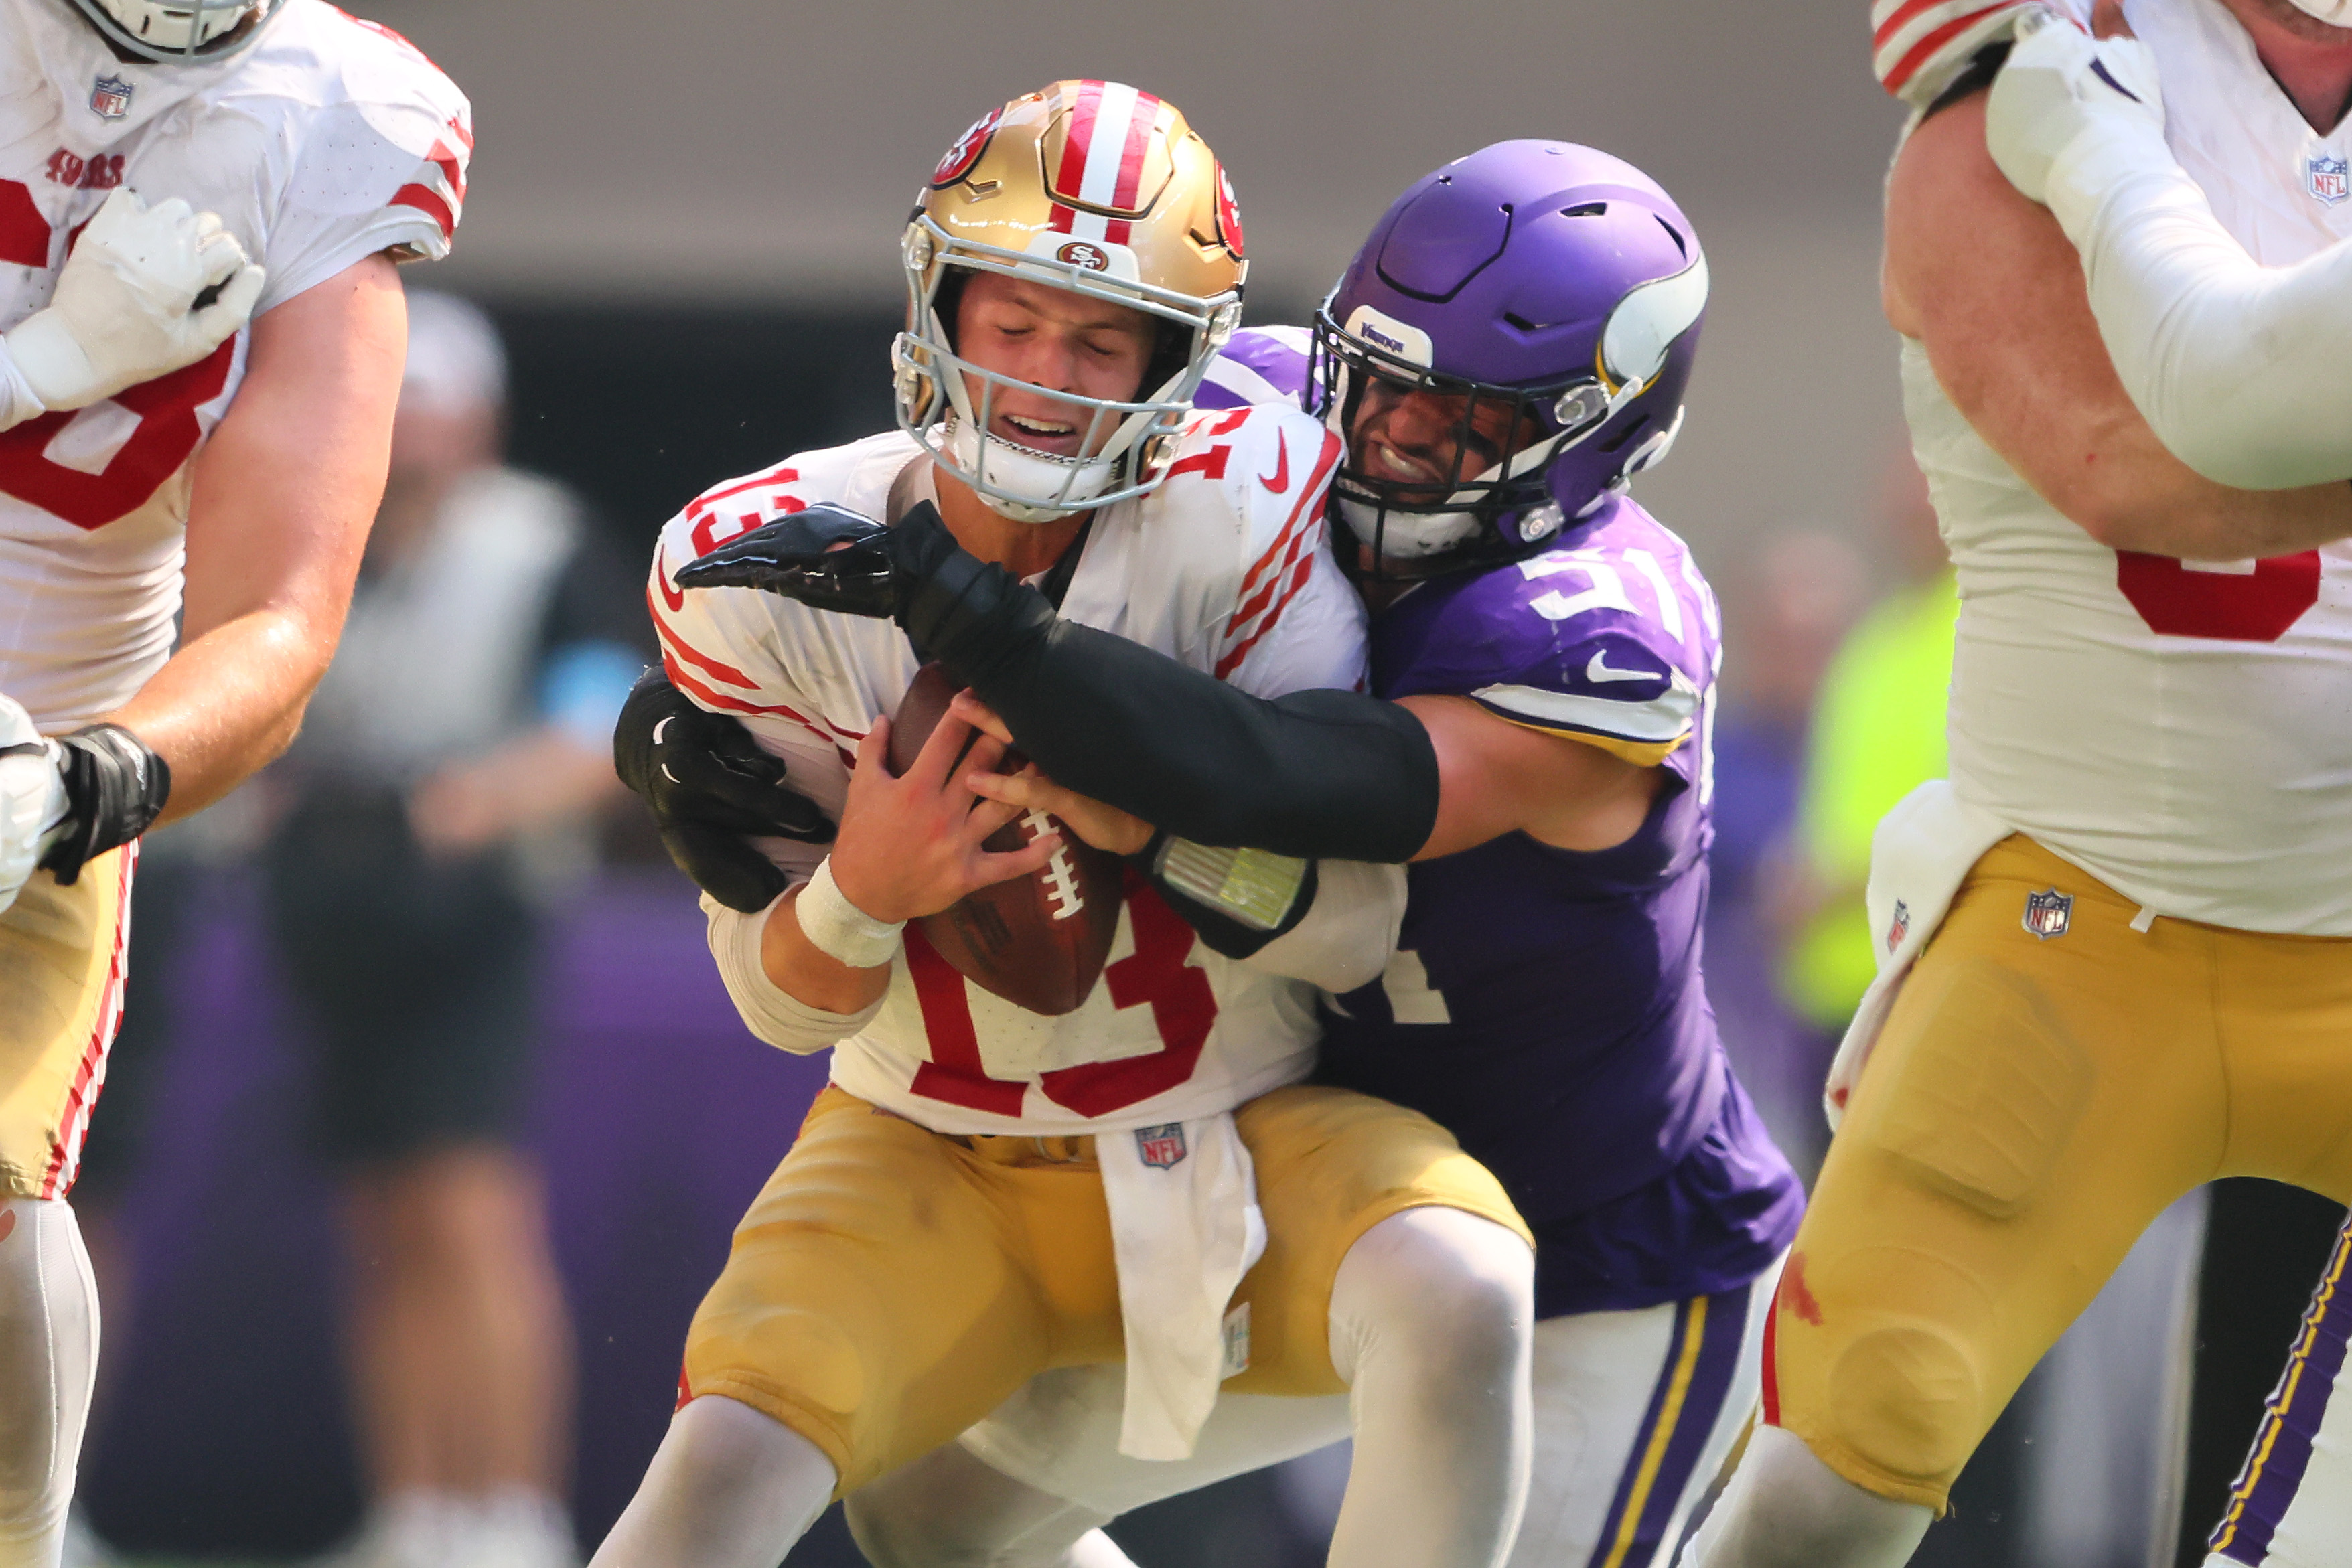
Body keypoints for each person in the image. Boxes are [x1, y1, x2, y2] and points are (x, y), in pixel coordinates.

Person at [649, 141, 1805, 1568]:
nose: (1386, 441)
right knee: (935, 1512)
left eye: (1456, 424)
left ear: (1596, 433)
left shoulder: (1590, 630)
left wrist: (969, 623)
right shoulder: (1247, 402)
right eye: (1375, 385)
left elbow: (1307, 785)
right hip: (1293, 1157)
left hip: (1595, 1242)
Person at [1670, 2, 2352, 1563]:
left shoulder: (2065, 100)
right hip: (2076, 923)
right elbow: (2129, 467)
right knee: (1825, 1477)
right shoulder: (2011, 104)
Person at [0, 0, 467, 1559]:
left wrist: (80, 787)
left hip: (24, 760)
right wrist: (50, 362)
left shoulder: (335, 110)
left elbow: (279, 618)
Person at [245, 291, 637, 1568]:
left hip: (474, 910)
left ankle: (510, 1509)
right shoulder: (317, 539)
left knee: (470, 1212)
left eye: (432, 412)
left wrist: (469, 802)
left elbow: (601, 731)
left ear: (480, 422)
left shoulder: (537, 547)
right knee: (383, 1212)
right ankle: (415, 1509)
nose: (410, 438)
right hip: (338, 909)